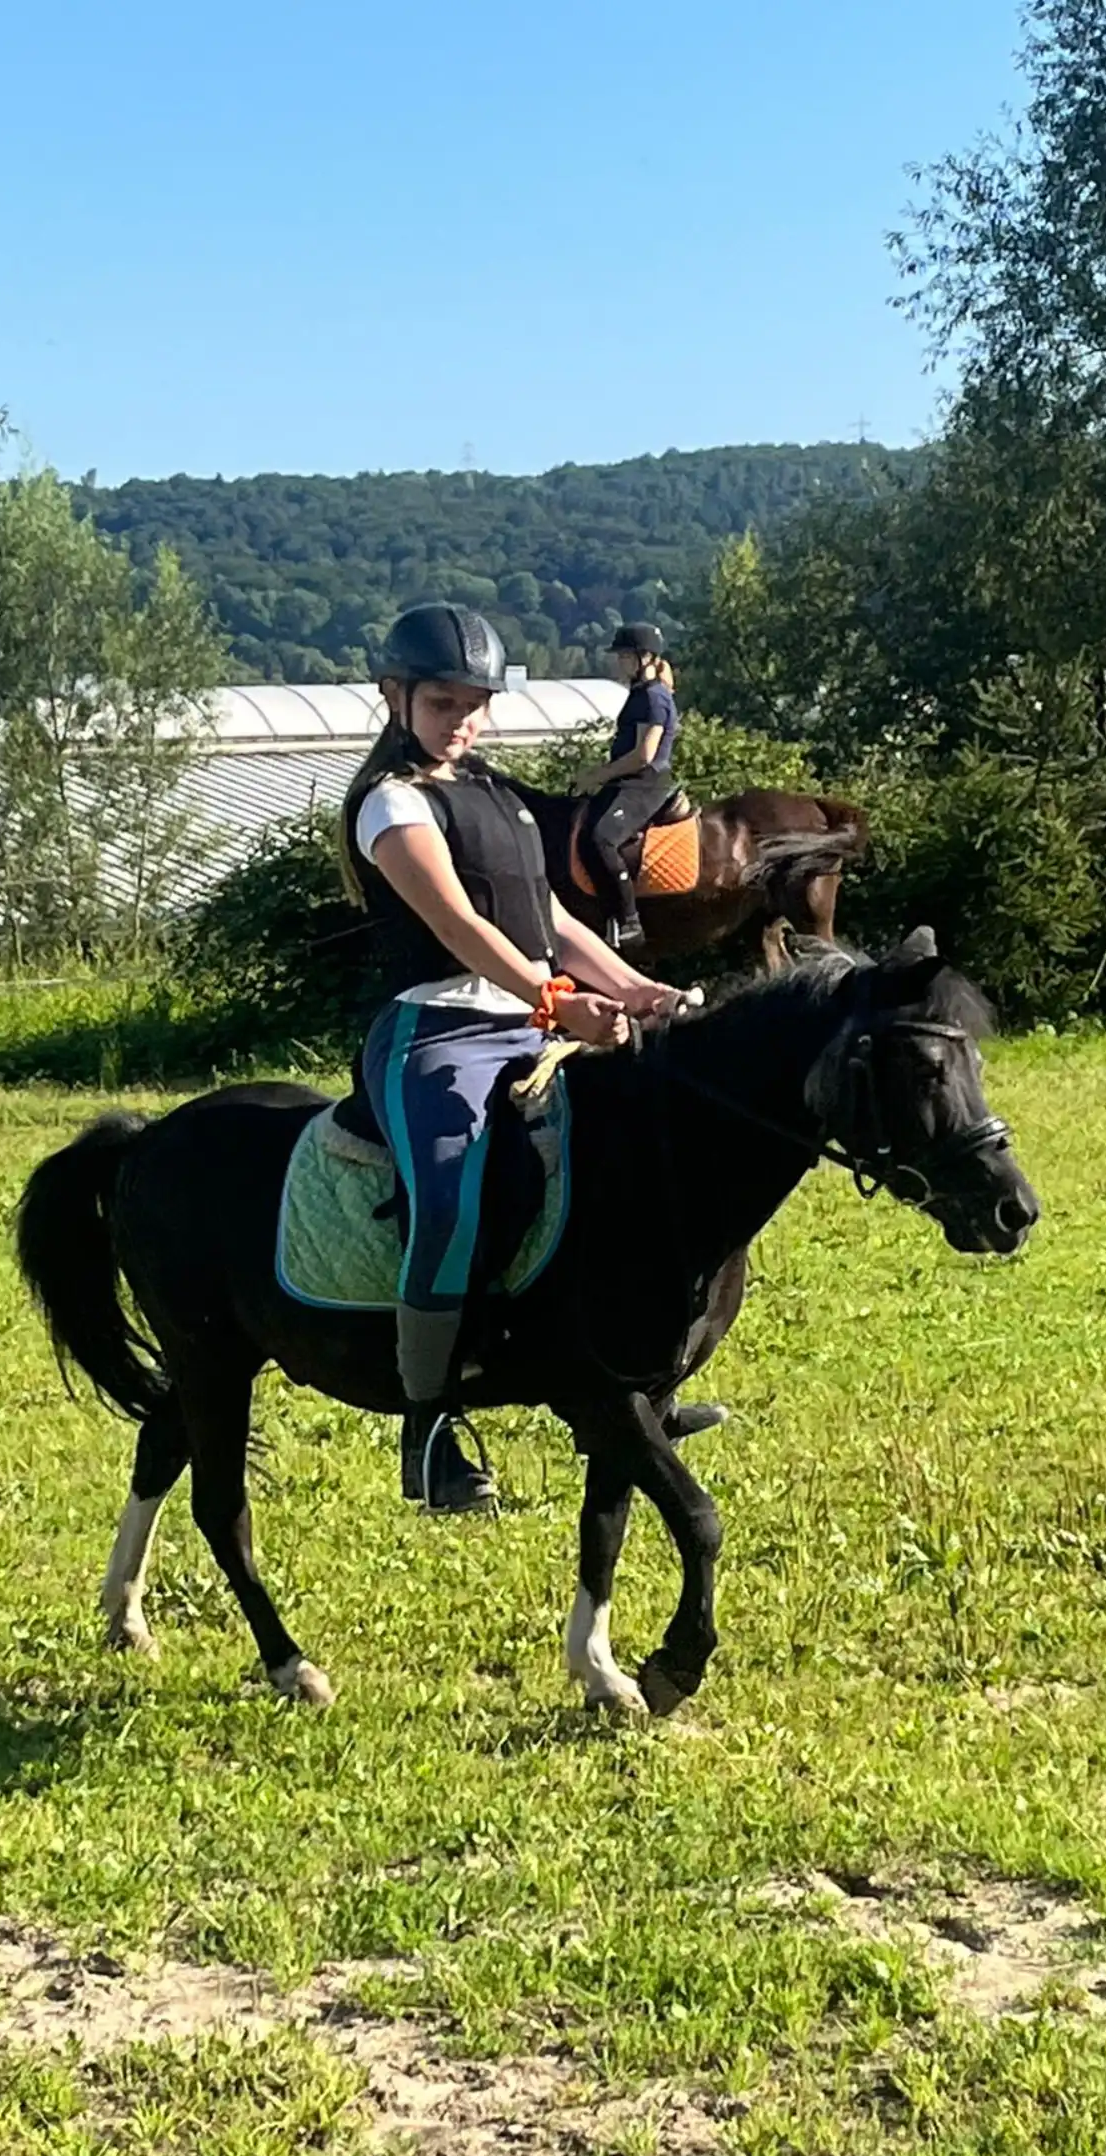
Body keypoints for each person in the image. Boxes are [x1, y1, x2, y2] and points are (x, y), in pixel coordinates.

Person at [341, 603, 680, 1513]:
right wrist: (556, 1003)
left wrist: (639, 988)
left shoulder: (494, 791)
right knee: (449, 1194)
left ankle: (635, 1377)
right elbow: (457, 925)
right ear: (395, 697)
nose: (462, 720)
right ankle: (430, 1427)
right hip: (438, 1030)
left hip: (531, 1020)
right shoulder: (392, 802)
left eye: (475, 704)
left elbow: (554, 922)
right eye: (444, 703)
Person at [572, 621, 683, 954]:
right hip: (629, 782)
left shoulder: (654, 698)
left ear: (645, 658)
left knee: (600, 838)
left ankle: (628, 919)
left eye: (624, 657)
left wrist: (598, 775)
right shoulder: (639, 695)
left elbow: (644, 755)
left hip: (645, 784)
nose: (618, 662)